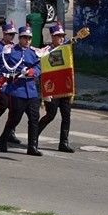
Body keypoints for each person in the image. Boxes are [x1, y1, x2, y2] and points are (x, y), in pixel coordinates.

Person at [0, 25, 43, 156]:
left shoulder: (34, 52)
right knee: (15, 119)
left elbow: (39, 67)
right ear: (20, 38)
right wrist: (14, 73)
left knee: (34, 118)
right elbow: (1, 66)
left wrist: (32, 71)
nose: (27, 40)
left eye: (29, 38)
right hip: (17, 90)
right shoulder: (11, 51)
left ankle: (32, 146)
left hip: (31, 91)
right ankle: (3, 139)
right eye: (24, 38)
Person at [37, 23, 76, 153]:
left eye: (62, 36)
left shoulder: (66, 49)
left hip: (65, 87)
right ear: (52, 37)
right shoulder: (47, 51)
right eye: (58, 36)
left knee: (66, 116)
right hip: (52, 89)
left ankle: (64, 142)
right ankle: (34, 136)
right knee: (51, 115)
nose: (60, 38)